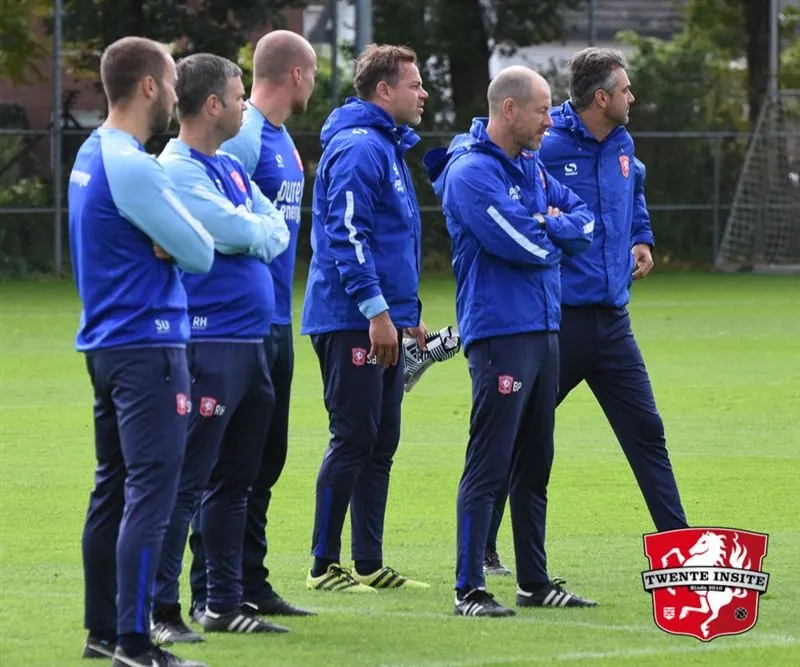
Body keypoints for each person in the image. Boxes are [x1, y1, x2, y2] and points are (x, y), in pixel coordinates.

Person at [486, 49, 688, 573]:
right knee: (518, 434)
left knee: (647, 431)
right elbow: (505, 186)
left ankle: (679, 549)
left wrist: (641, 237)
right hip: (558, 323)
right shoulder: (546, 142)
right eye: (625, 90)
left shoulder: (622, 142)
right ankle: (483, 545)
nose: (632, 98)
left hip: (613, 323)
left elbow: (633, 187)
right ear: (601, 98)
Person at [423, 65, 597, 616]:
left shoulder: (529, 165)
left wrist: (547, 224)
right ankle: (469, 588)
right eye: (543, 110)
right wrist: (548, 228)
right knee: (489, 461)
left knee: (535, 462)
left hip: (543, 327)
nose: (551, 121)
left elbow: (585, 221)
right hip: (500, 332)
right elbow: (523, 243)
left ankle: (534, 582)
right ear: (509, 110)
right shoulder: (471, 172)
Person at [68, 36, 214, 667]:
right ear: (149, 86)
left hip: (108, 345)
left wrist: (171, 237)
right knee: (151, 494)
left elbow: (180, 240)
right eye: (172, 83)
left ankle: (102, 632)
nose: (177, 96)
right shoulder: (133, 165)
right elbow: (201, 251)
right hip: (148, 347)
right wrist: (176, 238)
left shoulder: (90, 153)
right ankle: (133, 642)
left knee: (113, 490)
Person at [152, 53, 291, 640]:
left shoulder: (229, 167)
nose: (243, 107)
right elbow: (235, 230)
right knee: (186, 482)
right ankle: (161, 611)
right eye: (238, 98)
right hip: (208, 345)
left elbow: (273, 227)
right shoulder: (177, 170)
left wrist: (249, 231)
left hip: (250, 343)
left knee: (237, 480)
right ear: (213, 105)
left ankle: (223, 603)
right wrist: (249, 231)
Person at [186, 30, 317, 619]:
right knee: (224, 463)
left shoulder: (282, 138)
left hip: (275, 318)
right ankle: (209, 587)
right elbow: (220, 222)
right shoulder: (242, 138)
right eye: (314, 73)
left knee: (265, 458)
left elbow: (270, 223)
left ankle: (249, 580)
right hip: (238, 325)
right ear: (297, 73)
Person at [301, 44, 430, 592]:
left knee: (381, 442)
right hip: (350, 317)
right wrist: (377, 311)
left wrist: (406, 316)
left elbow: (390, 242)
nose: (423, 93)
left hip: (382, 319)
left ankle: (369, 564)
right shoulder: (360, 147)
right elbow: (346, 235)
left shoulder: (387, 146)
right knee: (353, 437)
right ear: (384, 90)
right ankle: (322, 566)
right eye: (414, 84)